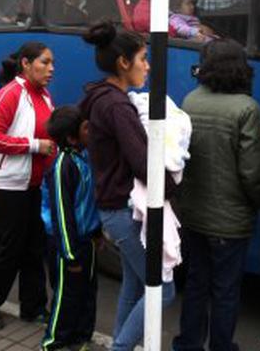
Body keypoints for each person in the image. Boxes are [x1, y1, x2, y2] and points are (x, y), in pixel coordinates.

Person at [79, 21, 177, 351]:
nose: (148, 66)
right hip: (124, 209)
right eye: (143, 58)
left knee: (134, 284)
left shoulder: (99, 96)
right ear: (124, 62)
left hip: (113, 207)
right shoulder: (118, 105)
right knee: (162, 289)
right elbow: (143, 162)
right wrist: (173, 184)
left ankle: (119, 344)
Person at [173, 39, 260, 351]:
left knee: (197, 283)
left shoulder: (190, 100)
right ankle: (221, 346)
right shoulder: (247, 109)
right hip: (230, 220)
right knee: (226, 290)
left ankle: (188, 343)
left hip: (193, 213)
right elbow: (252, 173)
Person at [0, 42, 57, 330]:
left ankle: (32, 308)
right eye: (44, 63)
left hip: (33, 183)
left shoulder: (43, 95)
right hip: (8, 184)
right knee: (12, 247)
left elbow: (49, 135)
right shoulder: (10, 93)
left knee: (35, 246)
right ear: (25, 63)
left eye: (52, 63)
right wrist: (35, 146)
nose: (51, 69)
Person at [40, 105, 101, 351]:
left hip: (87, 240)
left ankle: (80, 337)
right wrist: (70, 253)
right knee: (67, 296)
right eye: (86, 127)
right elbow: (62, 215)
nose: (91, 130)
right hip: (68, 245)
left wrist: (96, 233)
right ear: (71, 137)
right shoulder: (63, 166)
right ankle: (54, 342)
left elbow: (88, 203)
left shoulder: (83, 157)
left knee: (87, 292)